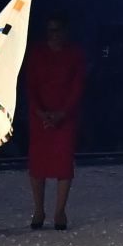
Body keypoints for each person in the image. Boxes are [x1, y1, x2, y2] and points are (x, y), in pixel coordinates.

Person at [25, 13, 85, 230]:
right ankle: (38, 210)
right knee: (38, 163)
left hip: (65, 116)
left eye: (58, 29)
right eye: (51, 30)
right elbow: (30, 85)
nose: (55, 34)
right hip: (39, 116)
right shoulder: (38, 54)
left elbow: (77, 86)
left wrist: (62, 113)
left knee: (63, 163)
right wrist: (40, 112)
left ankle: (60, 211)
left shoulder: (75, 54)